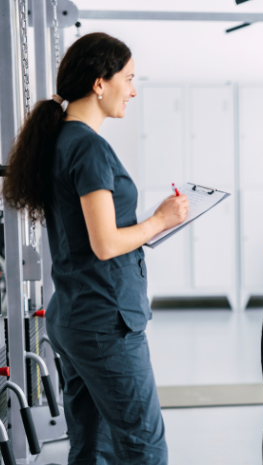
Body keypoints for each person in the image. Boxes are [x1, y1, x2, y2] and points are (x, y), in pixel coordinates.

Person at [1, 33, 189, 463]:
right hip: (106, 321)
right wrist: (161, 220)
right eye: (129, 78)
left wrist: (154, 224)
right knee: (144, 447)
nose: (134, 89)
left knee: (93, 446)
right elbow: (105, 244)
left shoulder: (61, 139)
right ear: (99, 83)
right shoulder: (87, 147)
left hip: (77, 314)